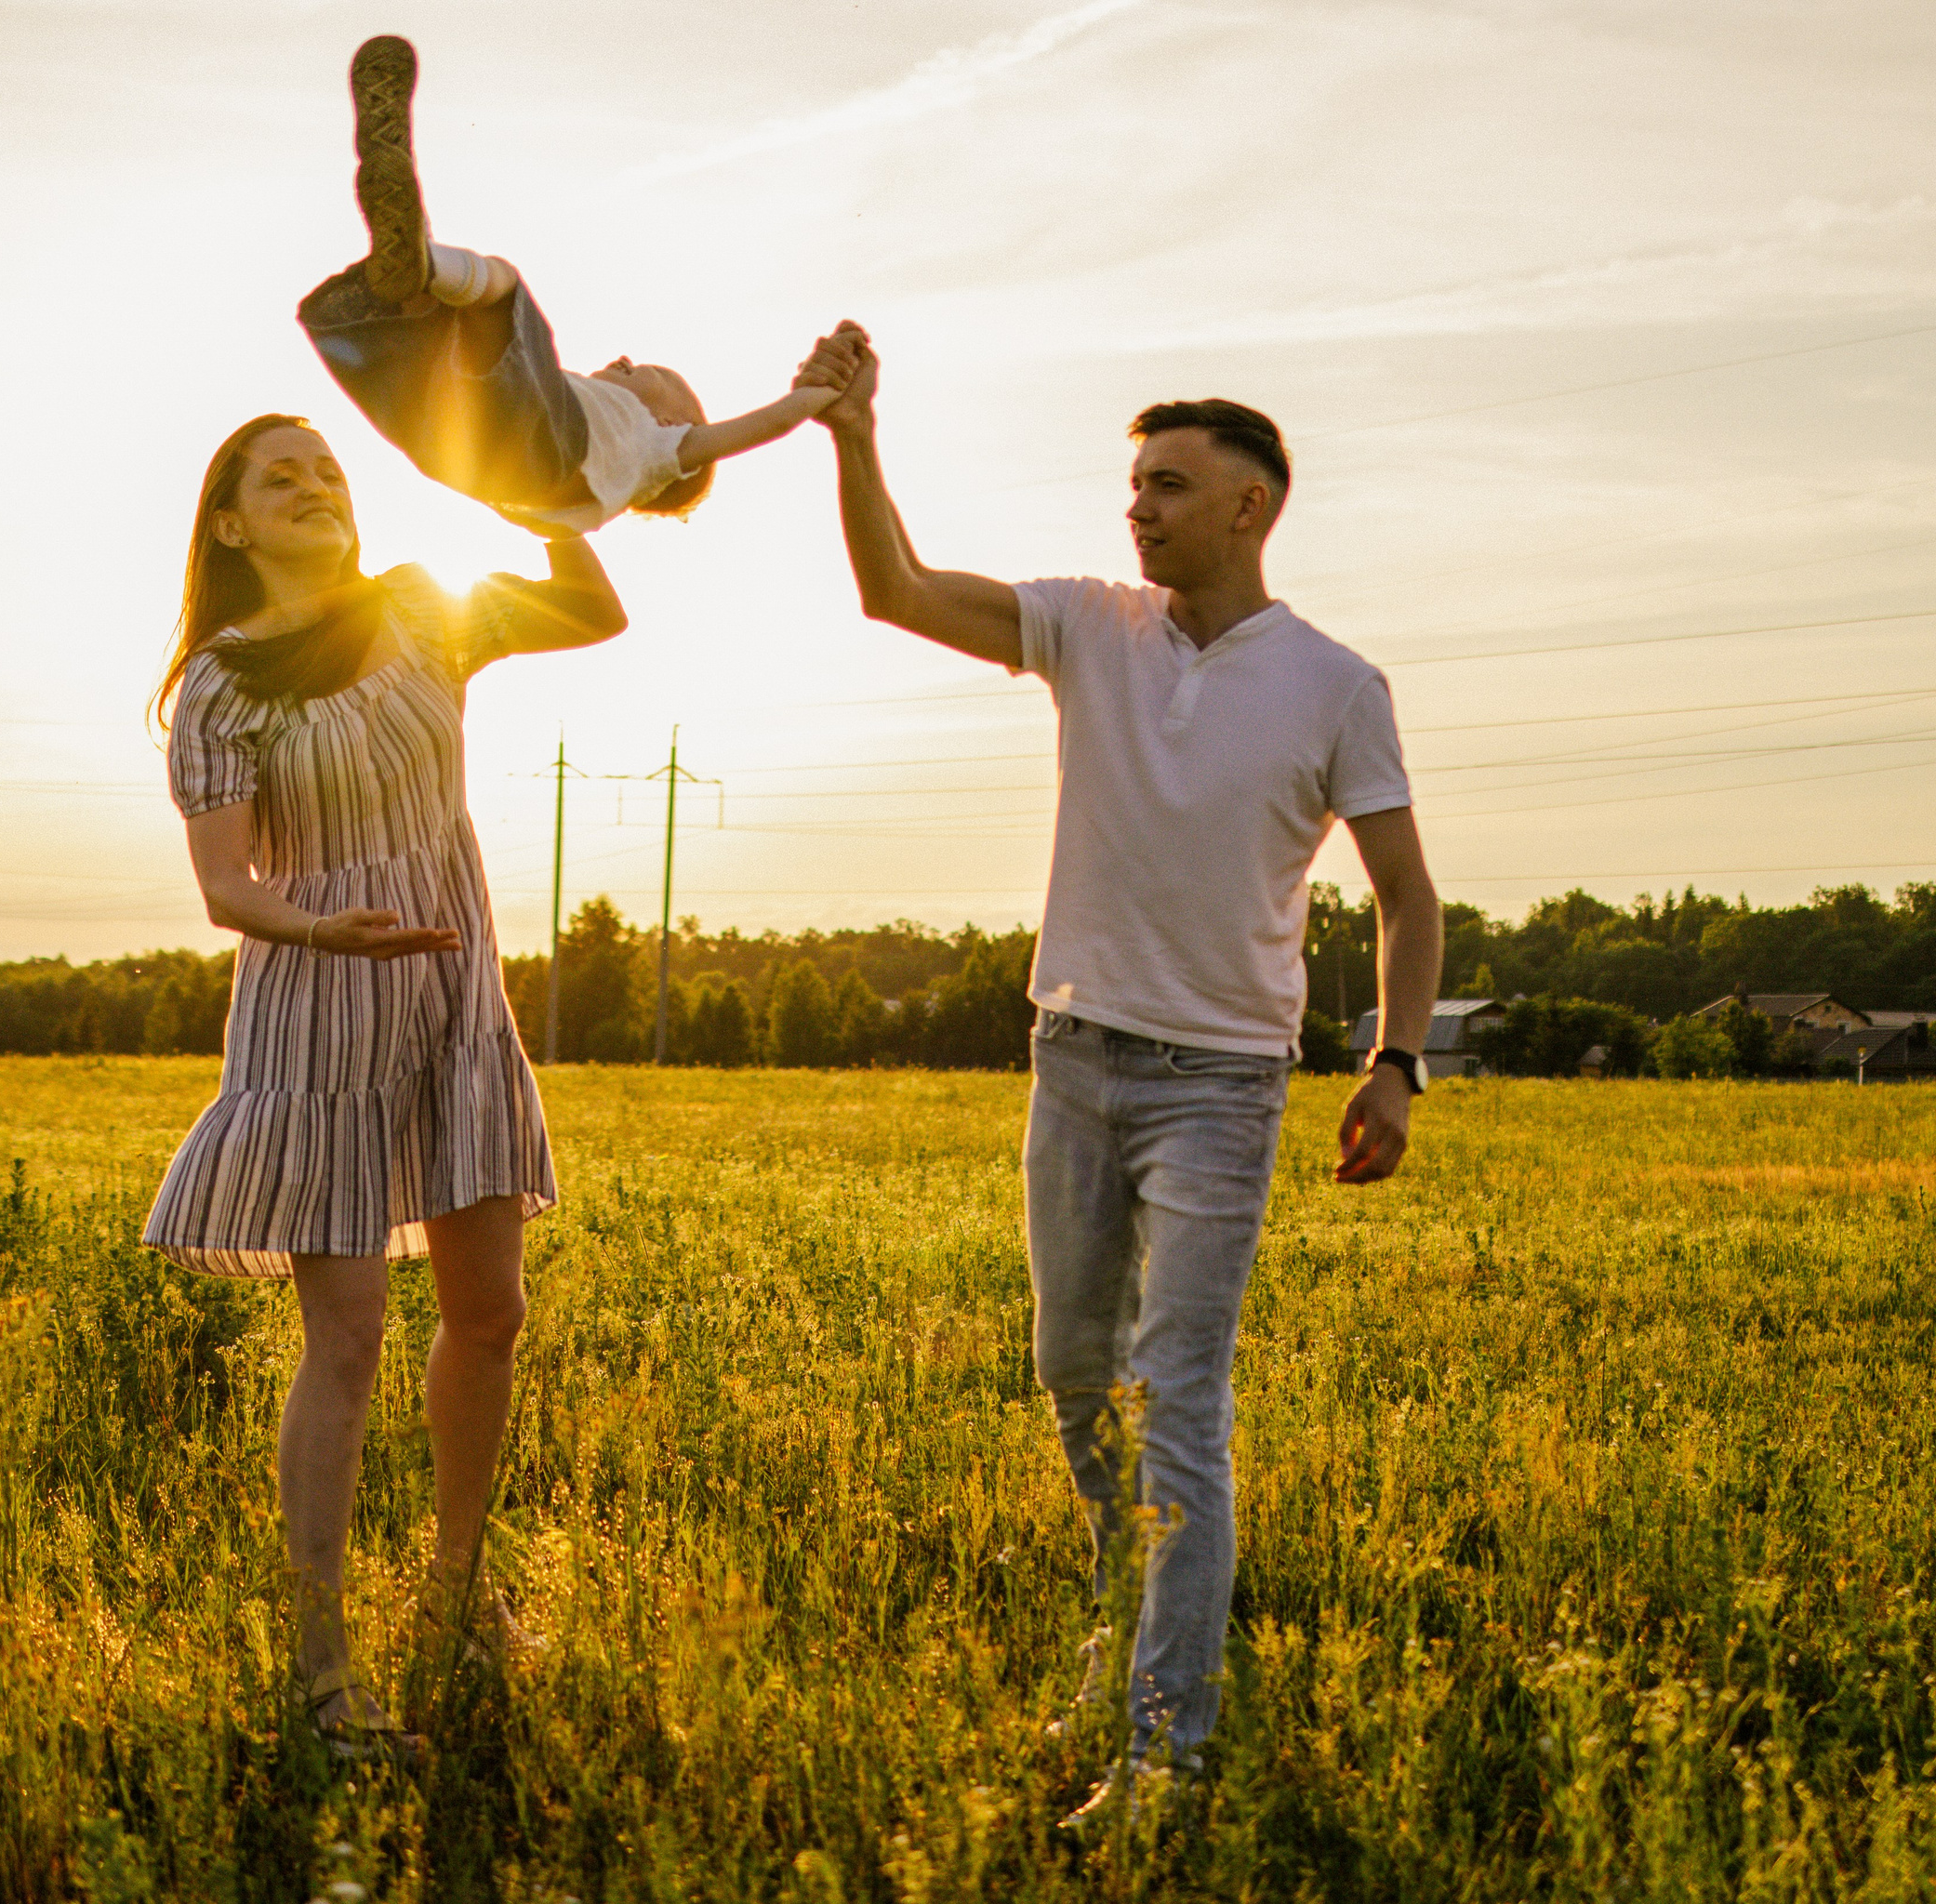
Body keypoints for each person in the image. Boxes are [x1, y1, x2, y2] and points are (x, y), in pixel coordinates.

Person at [793, 325, 1443, 1824]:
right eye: (1132, 484)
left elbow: (1410, 894)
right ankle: (1126, 1621)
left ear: (1250, 508)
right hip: (1073, 1059)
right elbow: (892, 590)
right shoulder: (1088, 624)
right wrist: (853, 437)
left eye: (1167, 486)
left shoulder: (1337, 685)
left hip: (1222, 1085)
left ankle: (1166, 1751)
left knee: (1181, 1402)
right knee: (1077, 1381)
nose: (1137, 509)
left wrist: (1395, 1062)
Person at [141, 411, 628, 1759]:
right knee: (345, 1337)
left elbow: (592, 608)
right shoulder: (222, 684)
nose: (314, 486)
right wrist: (322, 927)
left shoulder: (422, 613)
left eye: (329, 469)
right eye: (277, 476)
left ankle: (459, 1604)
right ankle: (322, 1675)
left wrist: (530, 481)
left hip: (455, 997)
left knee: (491, 1315)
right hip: (321, 1014)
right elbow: (227, 888)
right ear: (229, 526)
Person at [296, 35, 841, 536]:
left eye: (655, 373)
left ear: (676, 423)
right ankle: (413, 256)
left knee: (501, 292)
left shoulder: (659, 449)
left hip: (527, 453)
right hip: (462, 453)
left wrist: (814, 396)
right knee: (446, 325)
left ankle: (422, 259)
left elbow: (765, 425)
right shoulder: (594, 458)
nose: (629, 358)